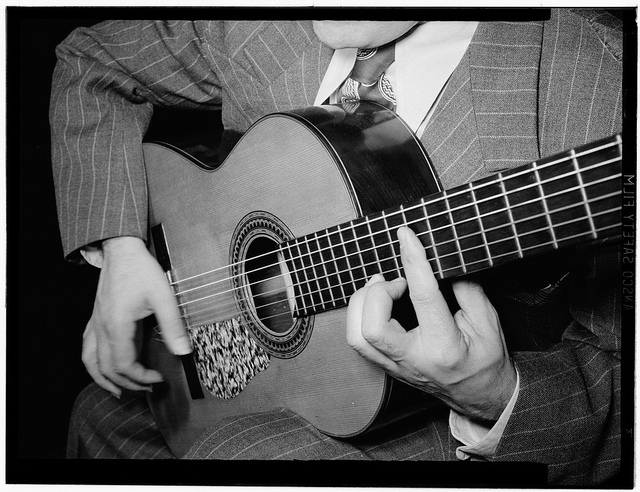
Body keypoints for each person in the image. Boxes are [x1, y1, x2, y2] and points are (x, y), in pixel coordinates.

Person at [50, 10, 624, 485]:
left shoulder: (598, 86)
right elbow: (93, 61)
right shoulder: (261, 26)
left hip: (434, 431)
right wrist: (120, 244)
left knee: (237, 451)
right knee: (99, 417)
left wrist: (495, 396)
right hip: (272, 374)